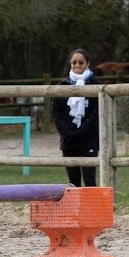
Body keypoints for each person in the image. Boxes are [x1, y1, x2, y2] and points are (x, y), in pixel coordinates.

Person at [51, 48, 100, 187]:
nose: (77, 66)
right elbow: (57, 114)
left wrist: (81, 133)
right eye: (74, 63)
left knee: (90, 180)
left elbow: (96, 114)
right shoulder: (62, 86)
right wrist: (67, 134)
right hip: (68, 140)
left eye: (81, 63)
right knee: (73, 183)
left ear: (87, 63)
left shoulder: (96, 84)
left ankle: (92, 208)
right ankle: (75, 209)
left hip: (88, 139)